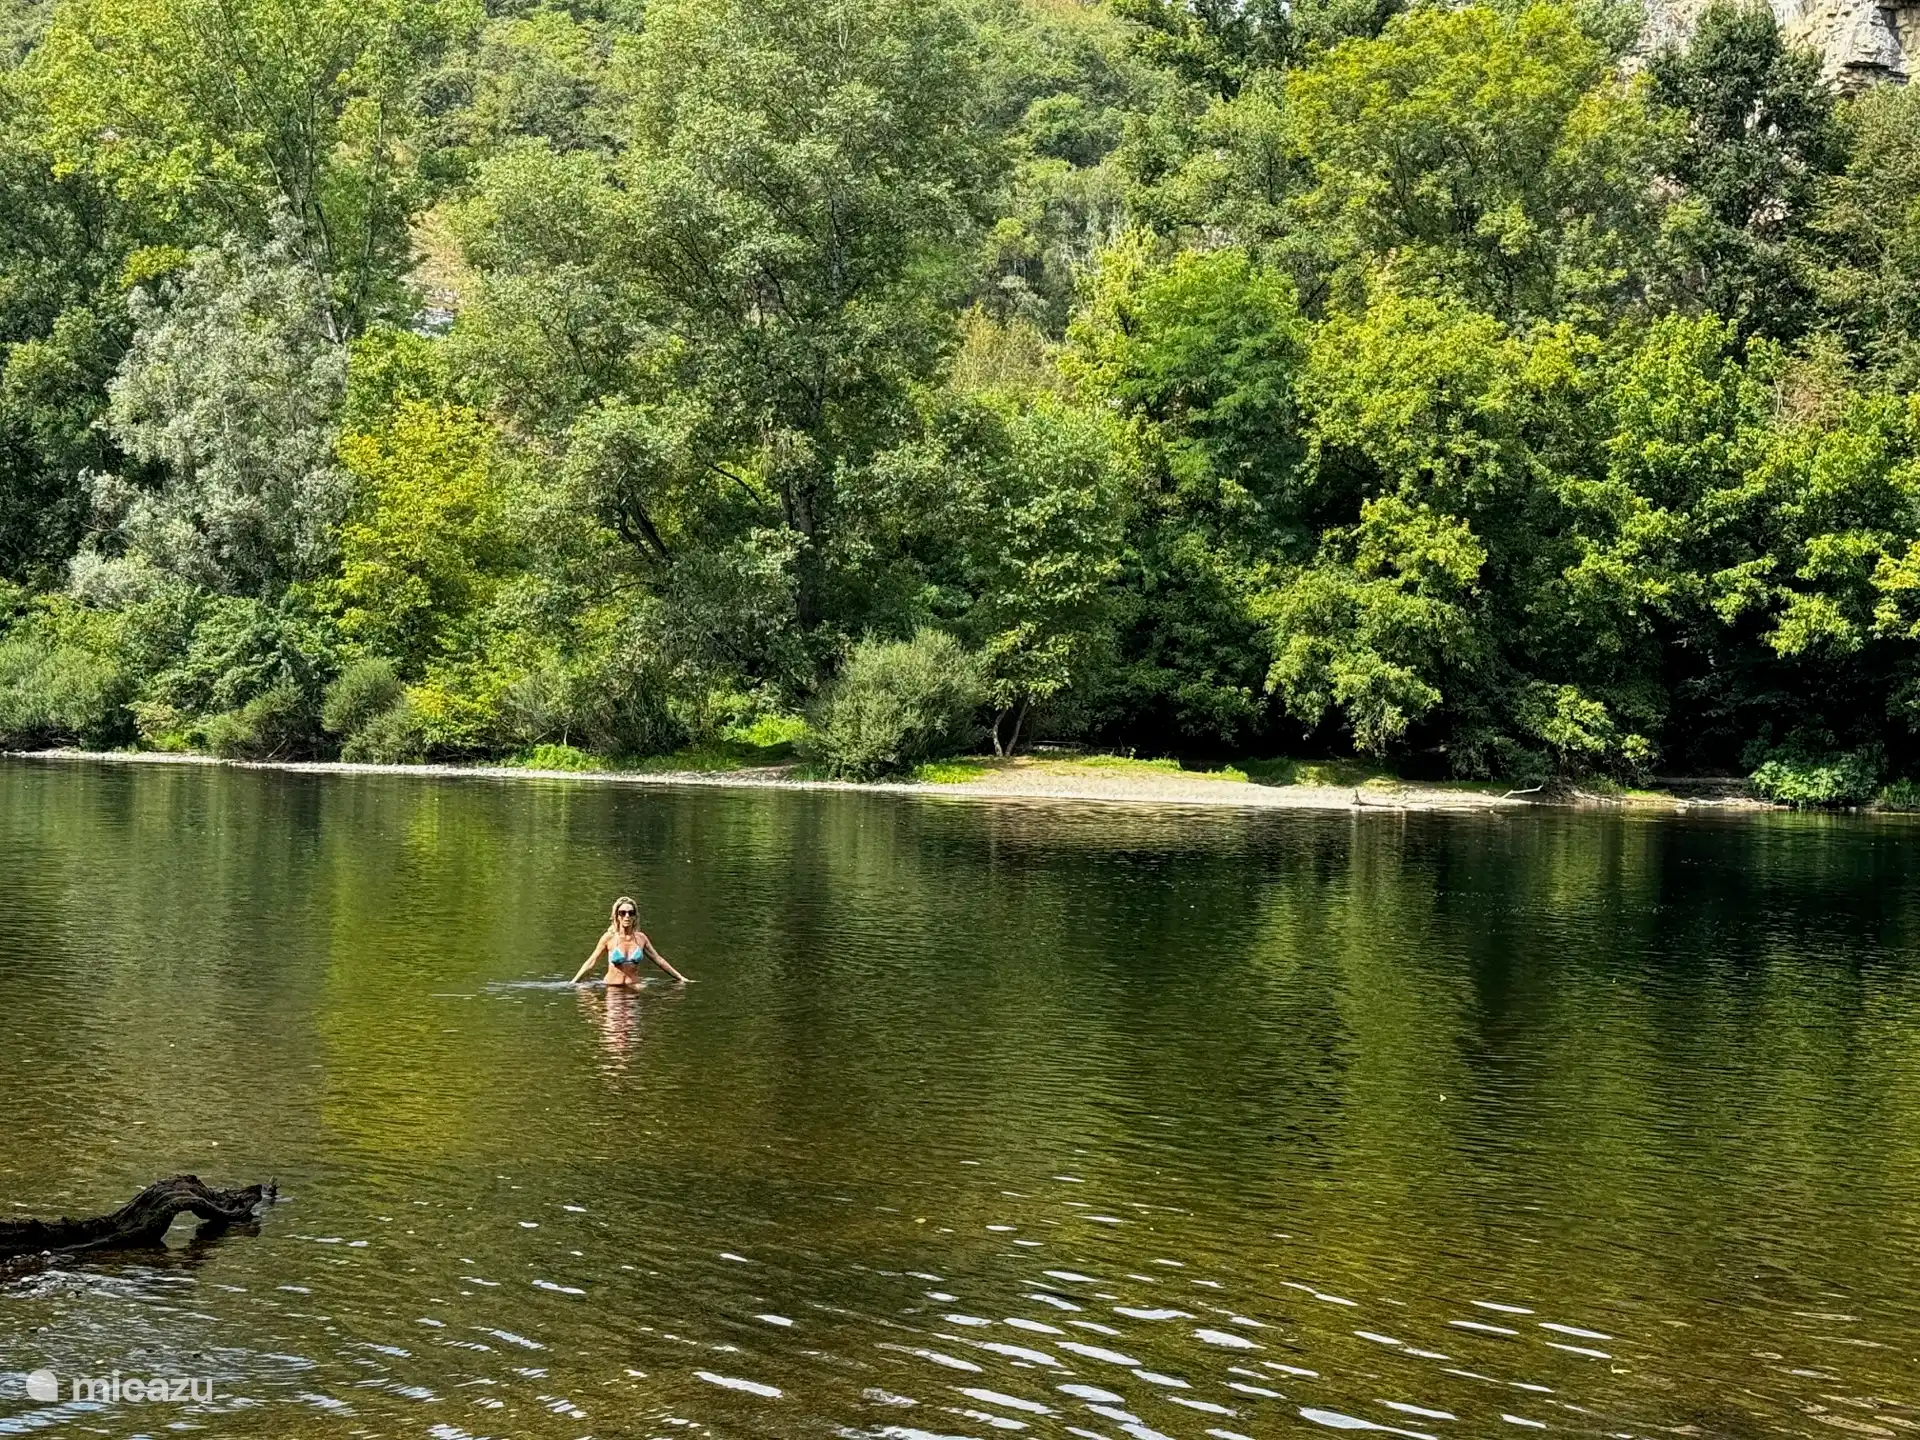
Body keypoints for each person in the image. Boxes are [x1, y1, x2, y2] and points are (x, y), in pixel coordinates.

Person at [571, 897, 692, 987]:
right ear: (617, 916)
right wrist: (573, 982)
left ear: (635, 916)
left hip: (633, 987)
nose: (627, 916)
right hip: (613, 988)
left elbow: (659, 960)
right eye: (622, 913)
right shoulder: (609, 938)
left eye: (631, 913)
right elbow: (591, 962)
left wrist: (681, 978)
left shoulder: (641, 938)